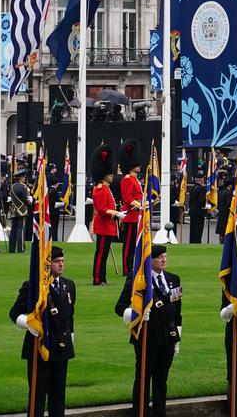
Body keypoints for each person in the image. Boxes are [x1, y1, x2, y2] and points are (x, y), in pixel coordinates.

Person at [116, 245, 182, 417]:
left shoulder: (173, 279)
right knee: (143, 379)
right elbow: (120, 307)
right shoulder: (138, 279)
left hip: (168, 337)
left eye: (165, 256)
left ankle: (160, 413)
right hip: (147, 337)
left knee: (161, 380)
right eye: (159, 257)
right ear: (149, 260)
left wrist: (178, 338)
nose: (163, 259)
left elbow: (177, 312)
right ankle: (140, 412)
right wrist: (135, 315)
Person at [11, 245, 76, 417]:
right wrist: (29, 324)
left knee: (58, 395)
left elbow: (70, 318)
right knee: (37, 396)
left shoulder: (69, 285)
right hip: (39, 345)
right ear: (47, 264)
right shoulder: (32, 286)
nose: (61, 264)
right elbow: (15, 313)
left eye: (62, 261)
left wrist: (71, 342)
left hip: (61, 347)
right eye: (56, 261)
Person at [91, 171, 119, 286]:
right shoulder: (100, 189)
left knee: (104, 255)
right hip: (103, 226)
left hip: (108, 226)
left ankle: (102, 278)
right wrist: (116, 213)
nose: (112, 175)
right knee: (101, 255)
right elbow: (102, 209)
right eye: (109, 173)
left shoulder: (106, 188)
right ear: (103, 175)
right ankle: (97, 279)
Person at [118, 160, 144, 274]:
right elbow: (127, 199)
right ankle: (126, 269)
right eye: (136, 164)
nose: (139, 166)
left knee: (133, 244)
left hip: (136, 215)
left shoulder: (134, 179)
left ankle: (131, 267)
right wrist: (139, 205)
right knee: (128, 244)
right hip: (130, 215)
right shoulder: (127, 179)